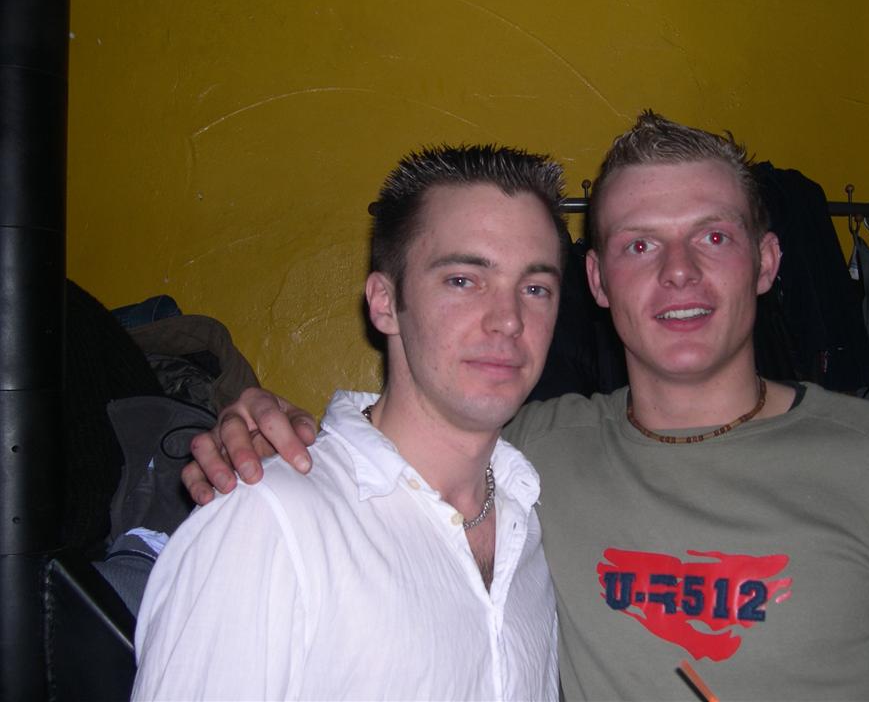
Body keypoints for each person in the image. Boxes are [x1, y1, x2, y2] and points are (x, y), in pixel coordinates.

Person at [186, 112, 869, 701]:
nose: (679, 272)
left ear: (768, 262)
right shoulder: (532, 454)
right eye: (639, 244)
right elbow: (412, 430)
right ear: (596, 280)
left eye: (714, 236)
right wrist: (265, 426)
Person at [132, 145, 567, 700]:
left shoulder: (528, 524)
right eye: (463, 280)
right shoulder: (269, 520)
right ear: (384, 302)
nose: (509, 320)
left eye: (535, 288)